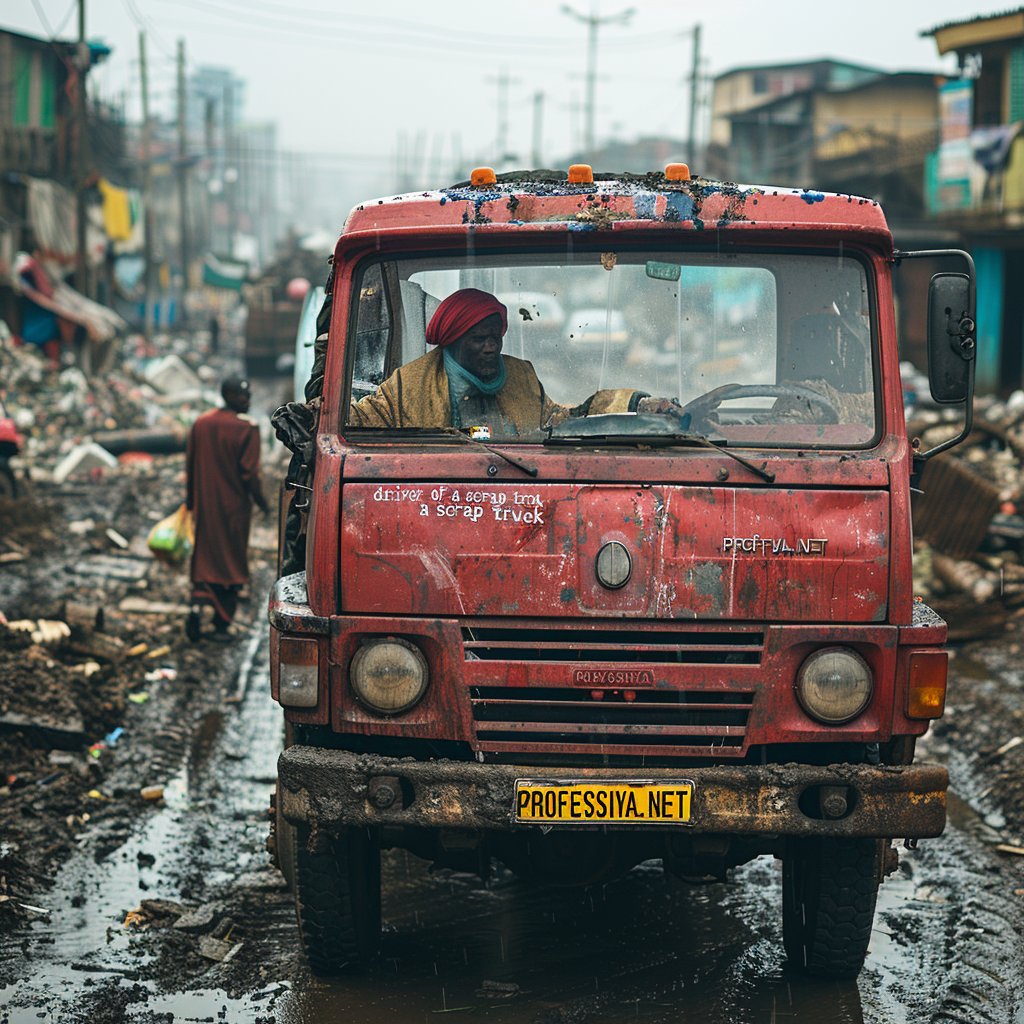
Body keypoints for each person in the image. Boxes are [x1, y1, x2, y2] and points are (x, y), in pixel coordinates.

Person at [348, 288, 653, 433]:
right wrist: (313, 416)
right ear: (452, 340)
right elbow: (357, 420)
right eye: (479, 339)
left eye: (496, 336)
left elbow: (565, 420)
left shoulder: (522, 376)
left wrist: (636, 404)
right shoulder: (407, 386)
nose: (491, 346)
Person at [185, 377, 269, 642]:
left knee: (206, 557)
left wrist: (191, 502)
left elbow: (190, 466)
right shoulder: (247, 429)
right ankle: (221, 626)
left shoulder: (202, 423)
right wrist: (263, 503)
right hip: (234, 509)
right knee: (231, 564)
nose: (248, 400)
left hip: (206, 507)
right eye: (243, 396)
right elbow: (250, 476)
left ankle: (197, 609)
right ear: (230, 396)